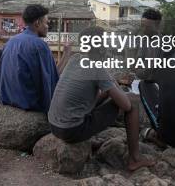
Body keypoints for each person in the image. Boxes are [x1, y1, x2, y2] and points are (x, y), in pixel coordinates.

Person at [48, 26, 154, 172]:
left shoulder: (75, 58)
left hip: (54, 125)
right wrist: (115, 87)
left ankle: (96, 140)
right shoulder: (97, 68)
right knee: (133, 102)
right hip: (71, 130)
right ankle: (134, 158)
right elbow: (126, 105)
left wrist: (110, 87)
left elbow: (85, 95)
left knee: (110, 93)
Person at [0, 4, 60, 113]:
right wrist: (67, 55)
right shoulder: (39, 45)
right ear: (37, 23)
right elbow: (49, 81)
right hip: (27, 101)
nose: (48, 26)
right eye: (46, 23)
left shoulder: (11, 41)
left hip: (7, 97)